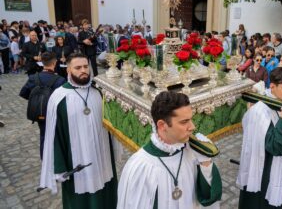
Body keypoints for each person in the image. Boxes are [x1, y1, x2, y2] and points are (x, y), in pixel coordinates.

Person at [39, 53, 118, 209]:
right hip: (76, 164)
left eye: (85, 66)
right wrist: (60, 167)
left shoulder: (99, 92)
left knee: (107, 196)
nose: (83, 70)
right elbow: (55, 137)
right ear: (68, 70)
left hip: (102, 158)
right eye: (78, 67)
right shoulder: (59, 97)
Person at [117, 91, 222, 208]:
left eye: (191, 119)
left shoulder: (193, 153)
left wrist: (205, 163)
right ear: (162, 125)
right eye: (184, 122)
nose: (192, 127)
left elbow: (209, 197)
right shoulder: (140, 167)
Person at [237, 67, 282, 208]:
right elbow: (276, 146)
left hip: (277, 166)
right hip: (262, 170)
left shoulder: (281, 103)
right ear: (272, 86)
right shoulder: (259, 111)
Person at [19, 52, 65, 159]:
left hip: (40, 112)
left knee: (43, 136)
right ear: (54, 63)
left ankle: (44, 160)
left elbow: (23, 93)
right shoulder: (60, 80)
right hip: (56, 113)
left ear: (42, 62)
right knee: (58, 136)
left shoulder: (33, 78)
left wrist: (37, 100)